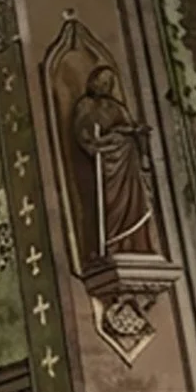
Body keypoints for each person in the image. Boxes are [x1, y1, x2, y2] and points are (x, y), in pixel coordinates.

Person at [71, 64, 156, 258]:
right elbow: (83, 132)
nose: (104, 86)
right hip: (108, 161)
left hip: (127, 161)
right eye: (101, 81)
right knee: (111, 202)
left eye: (108, 82)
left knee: (135, 199)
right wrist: (97, 144)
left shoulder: (117, 107)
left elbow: (130, 128)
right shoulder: (85, 105)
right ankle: (112, 241)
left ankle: (135, 241)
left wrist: (136, 136)